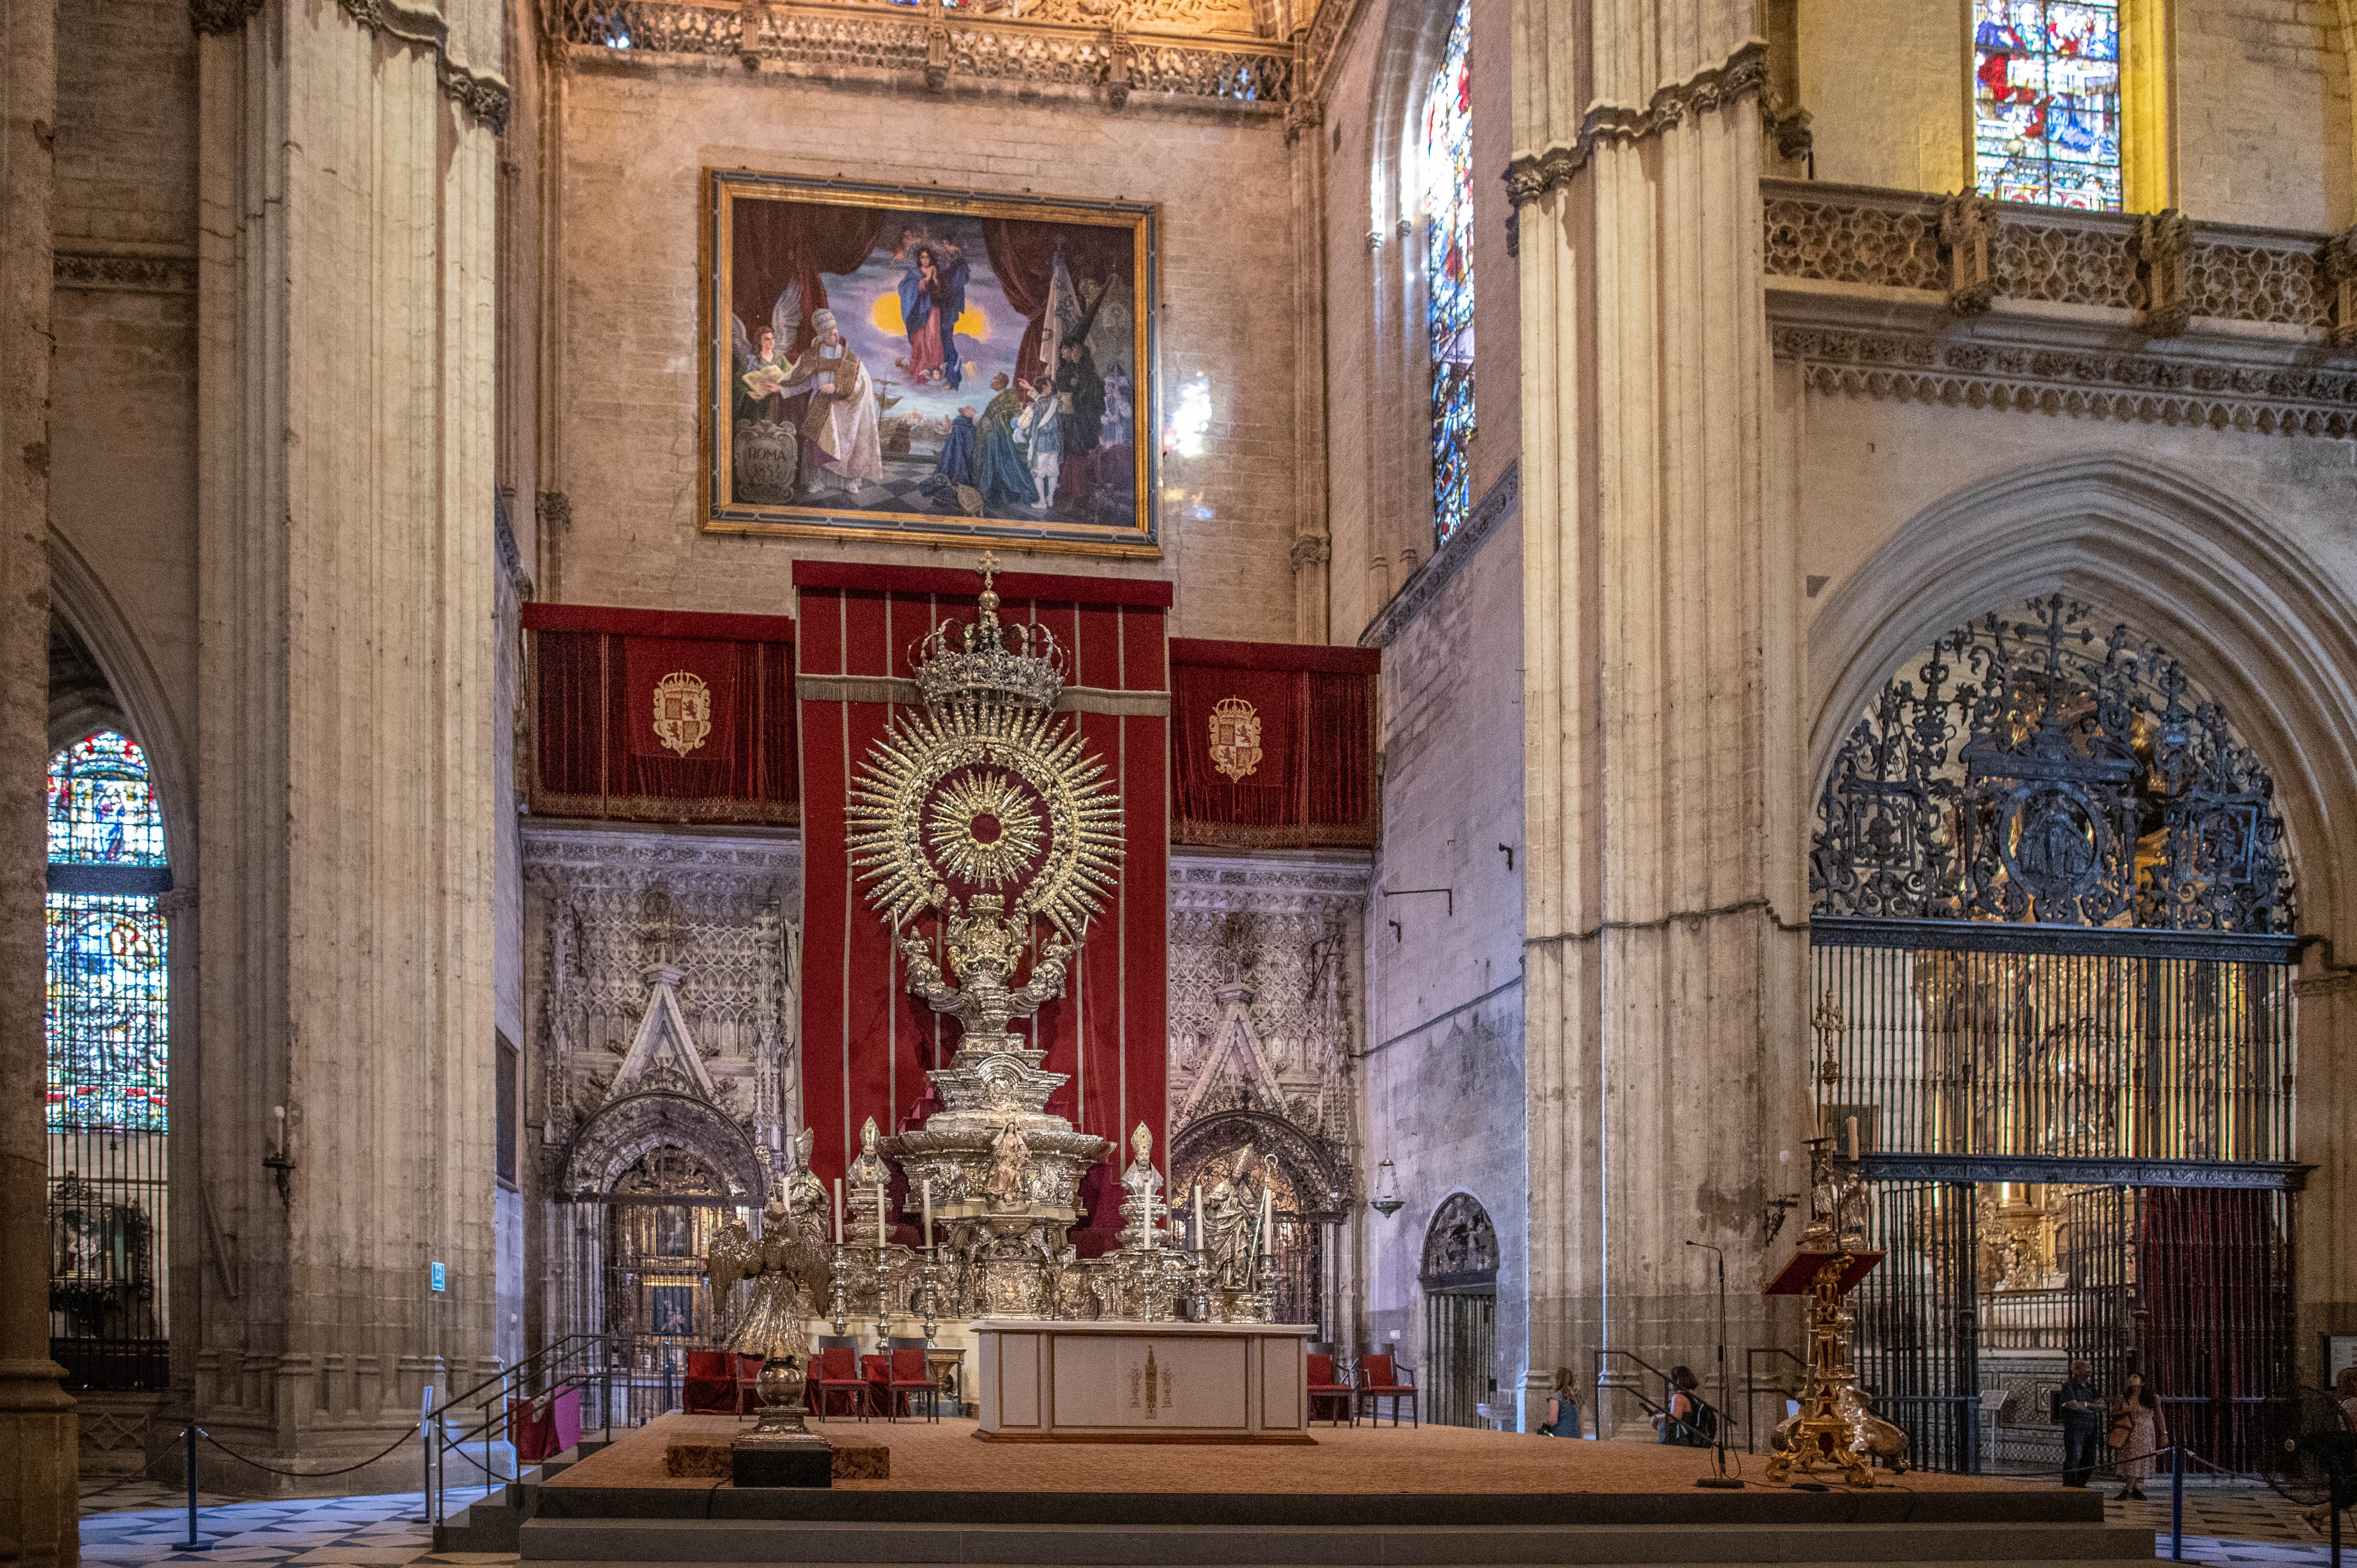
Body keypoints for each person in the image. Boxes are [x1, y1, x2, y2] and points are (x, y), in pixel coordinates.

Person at [779, 308, 882, 495]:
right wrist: (782, 387)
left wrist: (837, 387)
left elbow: (860, 381)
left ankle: (848, 480)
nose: (836, 335)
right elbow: (801, 380)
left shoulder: (848, 357)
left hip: (843, 408)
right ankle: (818, 480)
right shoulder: (811, 355)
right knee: (817, 445)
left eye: (836, 331)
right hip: (819, 405)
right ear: (822, 334)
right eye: (831, 332)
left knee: (846, 444)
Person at [896, 238, 969, 390]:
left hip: (933, 310)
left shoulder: (935, 270)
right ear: (919, 259)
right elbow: (905, 289)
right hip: (920, 313)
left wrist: (932, 281)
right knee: (921, 341)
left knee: (932, 339)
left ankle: (935, 372)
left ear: (931, 258)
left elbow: (938, 291)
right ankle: (921, 374)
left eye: (927, 257)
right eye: (922, 257)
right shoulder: (915, 273)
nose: (925, 260)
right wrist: (923, 283)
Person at [974, 372, 1039, 512]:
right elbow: (990, 417)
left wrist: (983, 419)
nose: (992, 381)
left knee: (1005, 464)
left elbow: (1008, 416)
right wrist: (982, 420)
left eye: (995, 379)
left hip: (1004, 439)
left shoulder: (1009, 396)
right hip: (996, 437)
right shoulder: (996, 399)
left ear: (1002, 383)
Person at [2305, 1366, 2357, 1533]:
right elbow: (2354, 1429)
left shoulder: (2346, 1401)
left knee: (2352, 1490)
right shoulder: (2354, 1403)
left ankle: (2318, 1513)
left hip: (2349, 1450)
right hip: (2352, 1450)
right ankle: (2317, 1513)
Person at [2108, 1370, 2168, 1501]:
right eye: (2131, 1378)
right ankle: (2133, 1489)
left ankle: (2128, 1490)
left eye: (2136, 1378)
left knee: (2140, 1459)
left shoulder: (2153, 1398)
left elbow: (2159, 1416)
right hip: (2130, 1431)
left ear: (2143, 1382)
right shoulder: (2123, 1398)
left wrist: (2164, 1433)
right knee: (2132, 1459)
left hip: (2146, 1431)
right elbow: (2113, 1415)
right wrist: (2125, 1411)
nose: (2133, 1380)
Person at [2053, 1358, 2103, 1488]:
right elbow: (2074, 1406)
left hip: (2091, 1426)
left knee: (2090, 1458)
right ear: (2077, 1370)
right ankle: (2071, 1485)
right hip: (2076, 1426)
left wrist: (2086, 1404)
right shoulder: (2070, 1386)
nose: (2090, 1370)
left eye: (2090, 1367)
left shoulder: (2091, 1387)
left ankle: (2081, 1483)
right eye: (2086, 1367)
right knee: (2074, 1457)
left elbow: (2102, 1406)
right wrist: (2092, 1406)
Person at [1651, 1365, 1709, 1447]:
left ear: (1676, 1380)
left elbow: (1675, 1417)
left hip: (1679, 1439)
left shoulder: (1678, 1397)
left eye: (1671, 1378)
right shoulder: (1690, 1395)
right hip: (1685, 1436)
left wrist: (1657, 1417)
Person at [1536, 1366, 1582, 1438]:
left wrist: (1546, 1422)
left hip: (1559, 1436)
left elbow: (1552, 1421)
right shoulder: (1577, 1398)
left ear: (1556, 1380)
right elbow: (1581, 1420)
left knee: (1543, 1432)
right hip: (1575, 1435)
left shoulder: (1556, 1397)